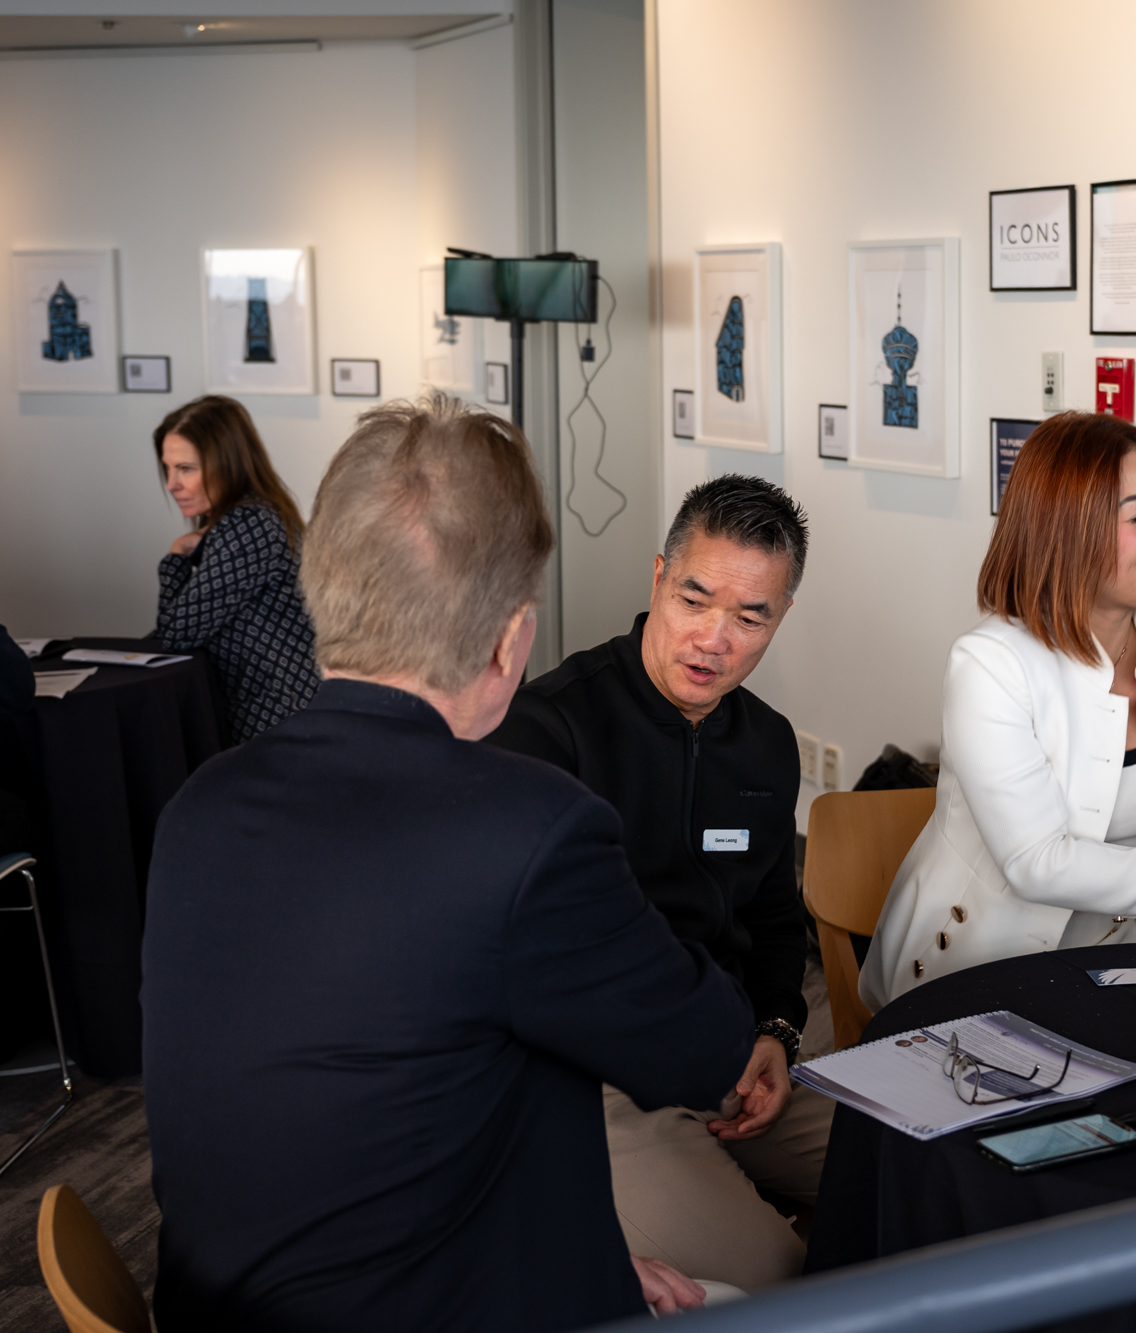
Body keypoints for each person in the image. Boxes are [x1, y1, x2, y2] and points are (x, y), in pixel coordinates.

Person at [143, 393, 751, 1331]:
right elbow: (705, 1051)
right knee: (773, 1295)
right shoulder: (528, 829)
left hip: (225, 1306)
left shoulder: (199, 805)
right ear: (512, 639)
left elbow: (352, 1102)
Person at [487, 474, 829, 1291]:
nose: (713, 639)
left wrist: (777, 1035)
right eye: (694, 600)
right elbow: (508, 960)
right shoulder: (548, 731)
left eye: (750, 617)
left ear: (780, 618)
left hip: (732, 1060)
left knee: (927, 1172)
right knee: (779, 1275)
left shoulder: (766, 743)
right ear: (658, 579)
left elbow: (776, 917)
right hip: (597, 1081)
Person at [861, 412, 1136, 1011]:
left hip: (1119, 964)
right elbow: (1038, 863)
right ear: (1068, 532)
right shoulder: (990, 665)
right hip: (981, 974)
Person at [152, 395, 319, 743]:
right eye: (168, 468)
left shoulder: (249, 524)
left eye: (186, 468)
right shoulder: (251, 518)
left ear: (227, 465)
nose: (171, 484)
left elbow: (176, 634)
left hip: (274, 722)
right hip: (274, 715)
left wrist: (176, 556)